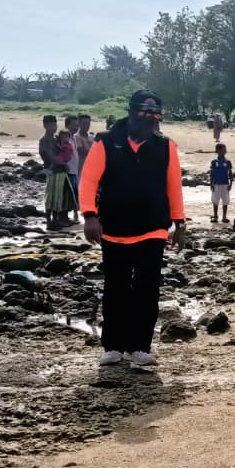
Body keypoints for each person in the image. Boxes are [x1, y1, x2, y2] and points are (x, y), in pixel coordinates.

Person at [78, 90, 187, 369]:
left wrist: (180, 222)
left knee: (147, 288)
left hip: (153, 229)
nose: (150, 122)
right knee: (116, 287)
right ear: (131, 114)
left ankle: (140, 346)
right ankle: (114, 346)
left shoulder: (166, 146)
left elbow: (173, 186)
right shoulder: (105, 142)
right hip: (114, 228)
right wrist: (89, 216)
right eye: (144, 116)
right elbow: (88, 180)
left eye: (154, 118)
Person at [39, 115, 75, 230]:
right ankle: (49, 221)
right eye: (51, 125)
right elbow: (51, 157)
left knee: (58, 197)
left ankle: (56, 219)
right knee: (51, 197)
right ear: (45, 125)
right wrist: (64, 164)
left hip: (60, 171)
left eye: (55, 125)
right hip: (52, 172)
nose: (53, 127)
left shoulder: (56, 139)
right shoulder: (44, 141)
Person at [210, 142, 233, 224]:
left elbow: (230, 174)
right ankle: (215, 216)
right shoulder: (214, 162)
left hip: (225, 183)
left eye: (225, 150)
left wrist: (230, 184)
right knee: (215, 201)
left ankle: (224, 216)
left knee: (225, 201)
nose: (225, 151)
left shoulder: (228, 162)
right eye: (223, 150)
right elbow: (212, 174)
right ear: (218, 151)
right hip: (216, 184)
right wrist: (211, 184)